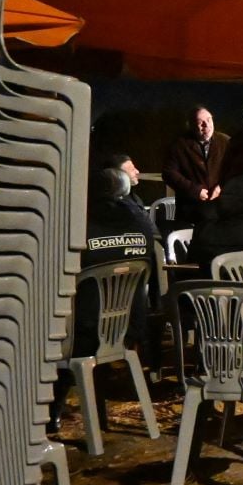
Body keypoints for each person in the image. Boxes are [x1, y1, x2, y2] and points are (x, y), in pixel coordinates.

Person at [53, 168, 154, 433]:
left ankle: (46, 413)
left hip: (80, 335)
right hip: (126, 330)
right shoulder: (142, 224)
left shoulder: (78, 227)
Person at [163, 106, 228, 227]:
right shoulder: (179, 144)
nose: (206, 125)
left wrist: (221, 187)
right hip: (191, 211)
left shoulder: (225, 141)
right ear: (191, 125)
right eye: (200, 122)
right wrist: (195, 190)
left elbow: (235, 169)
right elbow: (169, 173)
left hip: (221, 209)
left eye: (209, 120)